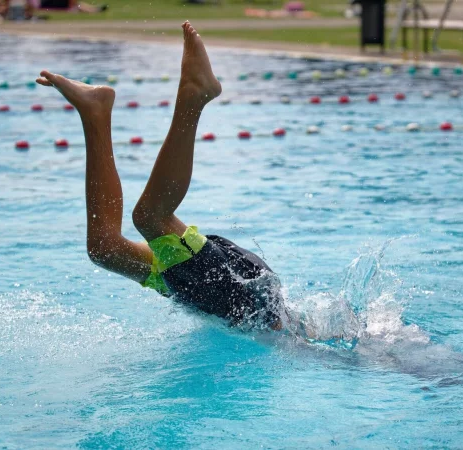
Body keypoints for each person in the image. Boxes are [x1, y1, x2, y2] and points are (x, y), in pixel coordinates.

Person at [35, 21, 282, 330]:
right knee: (152, 217)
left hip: (225, 302)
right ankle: (194, 95)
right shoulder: (311, 344)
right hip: (248, 301)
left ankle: (95, 111)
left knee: (105, 248)